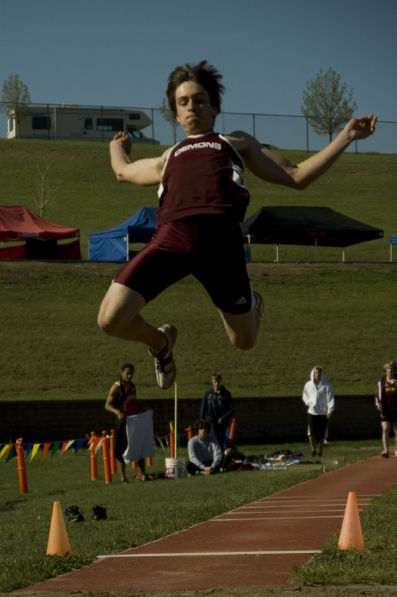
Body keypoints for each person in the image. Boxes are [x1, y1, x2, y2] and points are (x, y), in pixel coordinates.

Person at [97, 60, 377, 390]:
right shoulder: (169, 156)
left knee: (243, 341)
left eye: (199, 100)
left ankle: (253, 303)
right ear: (175, 113)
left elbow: (297, 176)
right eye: (183, 102)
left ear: (214, 108)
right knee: (109, 319)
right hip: (172, 239)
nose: (191, 108)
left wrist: (345, 136)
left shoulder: (235, 142)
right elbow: (123, 172)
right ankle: (160, 343)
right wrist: (117, 148)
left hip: (222, 248)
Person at [104, 363, 147, 481]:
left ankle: (142, 474)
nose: (129, 376)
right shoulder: (117, 387)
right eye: (127, 373)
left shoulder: (132, 386)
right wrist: (117, 412)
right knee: (120, 450)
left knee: (138, 448)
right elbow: (107, 405)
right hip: (122, 422)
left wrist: (142, 409)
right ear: (122, 372)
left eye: (131, 373)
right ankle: (123, 477)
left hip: (134, 421)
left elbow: (133, 403)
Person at [302, 366, 335, 457]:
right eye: (316, 372)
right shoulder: (308, 385)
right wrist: (309, 403)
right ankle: (313, 449)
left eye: (319, 372)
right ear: (313, 373)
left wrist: (330, 410)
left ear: (322, 374)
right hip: (312, 412)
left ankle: (320, 452)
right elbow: (305, 396)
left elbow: (331, 399)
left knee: (322, 434)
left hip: (323, 413)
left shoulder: (327, 385)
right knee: (311, 432)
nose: (318, 374)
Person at [200, 372, 234, 446]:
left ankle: (220, 455)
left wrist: (223, 417)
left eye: (218, 381)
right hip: (210, 421)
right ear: (212, 382)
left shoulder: (226, 394)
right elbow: (203, 408)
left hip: (222, 422)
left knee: (220, 440)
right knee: (211, 439)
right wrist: (202, 421)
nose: (216, 383)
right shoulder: (208, 394)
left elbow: (231, 409)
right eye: (215, 381)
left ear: (221, 381)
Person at [375, 361, 397, 458]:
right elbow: (377, 396)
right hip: (385, 410)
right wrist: (378, 405)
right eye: (388, 369)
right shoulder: (381, 383)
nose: (390, 370)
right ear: (385, 370)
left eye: (392, 369)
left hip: (396, 410)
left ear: (394, 370)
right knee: (385, 428)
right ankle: (385, 450)